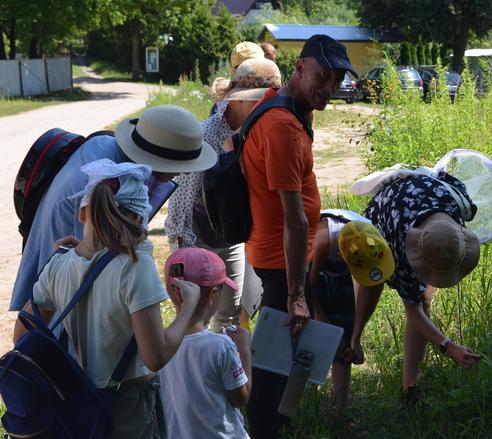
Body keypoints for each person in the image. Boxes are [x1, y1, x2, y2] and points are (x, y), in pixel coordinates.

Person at [13, 159, 201, 438]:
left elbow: (22, 336)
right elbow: (155, 356)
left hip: (78, 400)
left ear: (82, 214)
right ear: (140, 218)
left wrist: (74, 266)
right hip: (128, 404)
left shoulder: (59, 264)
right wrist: (188, 310)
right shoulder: (136, 267)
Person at [242, 34, 357, 438]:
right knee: (273, 364)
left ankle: (281, 425)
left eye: (338, 80)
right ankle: (263, 431)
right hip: (280, 260)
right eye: (323, 76)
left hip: (284, 256)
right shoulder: (283, 127)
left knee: (287, 356)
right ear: (300, 67)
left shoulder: (288, 104)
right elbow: (294, 220)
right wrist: (295, 295)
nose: (330, 88)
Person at [9, 105, 217, 312]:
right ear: (160, 161)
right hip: (65, 297)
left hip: (54, 274)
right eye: (182, 167)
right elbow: (89, 285)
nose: (186, 174)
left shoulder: (107, 153)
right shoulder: (107, 188)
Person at [165, 57, 281, 332]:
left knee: (230, 314)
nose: (266, 108)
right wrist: (183, 250)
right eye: (259, 100)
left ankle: (223, 371)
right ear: (238, 100)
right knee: (196, 317)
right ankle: (191, 371)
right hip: (197, 236)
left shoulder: (260, 130)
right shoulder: (205, 135)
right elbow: (182, 196)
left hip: (230, 236)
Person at [349, 170, 483, 404]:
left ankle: (410, 389)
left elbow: (445, 176)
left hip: (422, 208)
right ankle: (353, 338)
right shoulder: (402, 248)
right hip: (385, 217)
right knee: (375, 282)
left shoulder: (453, 210)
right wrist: (450, 347)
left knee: (424, 298)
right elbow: (413, 311)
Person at [160, 247, 252, 439]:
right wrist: (244, 350)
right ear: (213, 295)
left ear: (172, 291)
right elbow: (240, 398)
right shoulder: (221, 346)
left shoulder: (159, 345)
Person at [310, 210, 394, 419]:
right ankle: (303, 404)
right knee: (308, 336)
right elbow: (305, 289)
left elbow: (371, 288)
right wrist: (328, 331)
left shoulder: (375, 246)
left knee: (345, 339)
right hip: (310, 274)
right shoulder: (322, 241)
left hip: (340, 270)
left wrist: (355, 337)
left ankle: (340, 412)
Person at [210, 41, 265, 116]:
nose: (255, 72)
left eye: (260, 66)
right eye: (247, 68)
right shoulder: (225, 103)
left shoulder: (269, 92)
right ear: (235, 70)